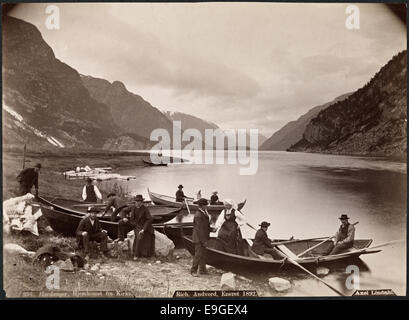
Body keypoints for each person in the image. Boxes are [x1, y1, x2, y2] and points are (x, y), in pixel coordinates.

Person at [119, 195, 155, 259]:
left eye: (139, 201)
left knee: (139, 236)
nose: (137, 203)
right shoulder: (133, 207)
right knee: (121, 222)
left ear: (142, 202)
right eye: (136, 201)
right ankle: (121, 238)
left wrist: (144, 229)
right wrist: (124, 217)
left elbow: (149, 219)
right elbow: (123, 211)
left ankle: (136, 254)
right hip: (132, 223)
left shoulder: (145, 209)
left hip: (140, 226)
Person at [190, 198, 211, 276]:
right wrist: (204, 241)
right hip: (199, 238)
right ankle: (193, 270)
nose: (207, 206)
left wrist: (211, 229)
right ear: (202, 205)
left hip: (203, 237)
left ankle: (202, 270)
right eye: (206, 205)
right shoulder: (198, 215)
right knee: (198, 254)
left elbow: (205, 226)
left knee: (203, 254)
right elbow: (200, 229)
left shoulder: (204, 212)